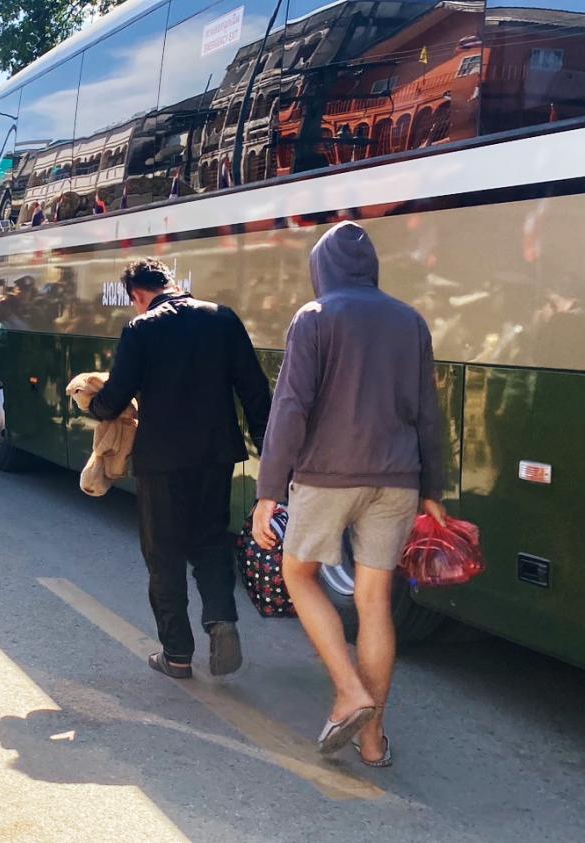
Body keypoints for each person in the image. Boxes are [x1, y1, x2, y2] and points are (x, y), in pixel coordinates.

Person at [251, 221, 446, 767]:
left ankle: (348, 690)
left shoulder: (314, 318)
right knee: (375, 602)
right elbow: (429, 415)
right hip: (397, 479)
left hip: (327, 476)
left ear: (322, 269)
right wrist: (433, 488)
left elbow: (291, 408)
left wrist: (269, 490)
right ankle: (372, 740)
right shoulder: (411, 321)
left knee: (298, 574)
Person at [90, 258, 271, 679]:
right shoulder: (222, 318)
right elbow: (254, 390)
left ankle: (176, 654)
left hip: (162, 459)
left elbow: (117, 394)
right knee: (210, 540)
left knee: (163, 552)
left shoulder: (142, 328)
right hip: (216, 453)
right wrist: (269, 451)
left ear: (137, 295)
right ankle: (221, 619)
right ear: (170, 283)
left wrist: (94, 407)